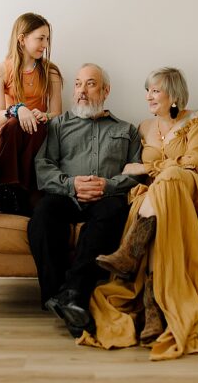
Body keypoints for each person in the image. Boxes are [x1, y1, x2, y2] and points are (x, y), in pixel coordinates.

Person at [81, 67, 198, 361]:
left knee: (171, 177)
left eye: (155, 90)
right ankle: (153, 304)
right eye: (147, 90)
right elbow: (127, 169)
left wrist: (150, 168)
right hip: (159, 199)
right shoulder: (144, 127)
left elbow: (197, 164)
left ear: (173, 94)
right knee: (162, 199)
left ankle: (130, 251)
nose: (149, 96)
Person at [28, 63, 142, 338]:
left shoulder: (127, 130)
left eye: (90, 84)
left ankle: (73, 294)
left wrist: (108, 184)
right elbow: (43, 165)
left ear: (105, 91)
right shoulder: (58, 126)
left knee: (114, 213)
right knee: (43, 215)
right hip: (67, 196)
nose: (81, 90)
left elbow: (138, 172)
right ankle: (64, 297)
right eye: (78, 84)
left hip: (106, 198)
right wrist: (71, 184)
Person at [0, 12, 63, 214]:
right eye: (40, 38)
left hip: (37, 134)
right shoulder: (2, 70)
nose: (45, 44)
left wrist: (44, 115)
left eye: (47, 39)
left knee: (36, 127)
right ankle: (3, 190)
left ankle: (20, 193)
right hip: (9, 136)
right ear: (22, 39)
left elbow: (57, 113)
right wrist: (18, 109)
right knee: (13, 124)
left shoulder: (51, 72)